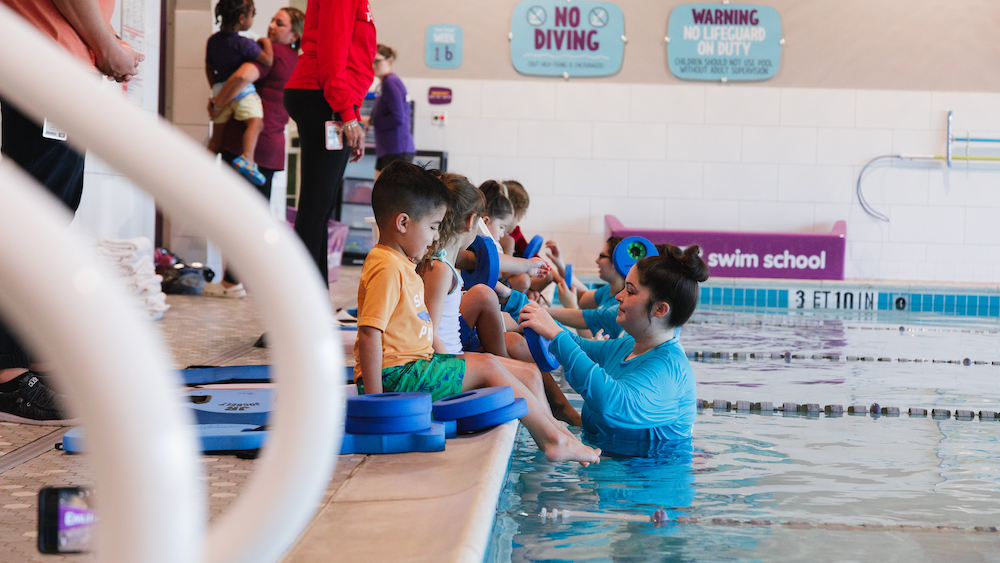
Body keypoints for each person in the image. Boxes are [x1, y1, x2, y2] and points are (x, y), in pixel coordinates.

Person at [353, 162, 599, 465]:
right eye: (431, 227)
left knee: (525, 370)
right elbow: (368, 334)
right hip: (397, 377)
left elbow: (420, 328)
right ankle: (554, 440)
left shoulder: (401, 262)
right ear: (403, 223)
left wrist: (444, 358)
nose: (434, 237)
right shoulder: (387, 266)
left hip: (415, 367)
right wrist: (377, 406)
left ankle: (555, 433)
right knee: (488, 366)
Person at [0, 0, 143, 423]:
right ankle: (8, 374)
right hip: (43, 60)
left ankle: (36, 356)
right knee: (32, 227)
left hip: (59, 62)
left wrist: (106, 42)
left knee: (51, 223)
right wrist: (107, 47)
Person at [418, 173, 581, 426]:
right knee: (528, 370)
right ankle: (554, 430)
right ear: (474, 221)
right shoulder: (438, 266)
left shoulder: (446, 255)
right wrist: (449, 368)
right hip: (448, 360)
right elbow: (429, 331)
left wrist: (526, 266)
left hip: (456, 348)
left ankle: (557, 416)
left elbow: (490, 261)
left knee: (511, 335)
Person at [518, 244, 710, 442]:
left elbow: (612, 403)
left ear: (660, 309)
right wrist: (517, 303)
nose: (619, 296)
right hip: (608, 463)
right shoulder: (629, 346)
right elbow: (578, 346)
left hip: (644, 472)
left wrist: (557, 334)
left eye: (630, 291)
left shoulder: (669, 372)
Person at [202, 6, 304, 298]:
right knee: (256, 216)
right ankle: (246, 279)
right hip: (271, 148)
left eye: (280, 24)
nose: (272, 26)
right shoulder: (296, 60)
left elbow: (241, 77)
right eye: (272, 21)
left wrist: (217, 104)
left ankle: (232, 282)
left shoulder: (273, 56)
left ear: (294, 33)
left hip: (246, 147)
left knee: (239, 217)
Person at [284, 0, 375, 287]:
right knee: (314, 209)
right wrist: (347, 116)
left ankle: (315, 306)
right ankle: (300, 313)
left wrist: (354, 116)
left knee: (320, 209)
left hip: (329, 99)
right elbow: (332, 58)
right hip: (322, 97)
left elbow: (349, 60)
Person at [205, 0, 273, 186]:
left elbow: (209, 68)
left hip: (219, 90)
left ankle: (203, 171)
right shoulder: (243, 43)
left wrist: (215, 91)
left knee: (216, 139)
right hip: (241, 92)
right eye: (253, 14)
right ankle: (248, 158)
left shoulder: (213, 41)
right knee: (255, 122)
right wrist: (265, 42)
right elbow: (267, 60)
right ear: (242, 18)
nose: (253, 17)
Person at [547, 237, 626, 339]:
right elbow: (583, 296)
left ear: (616, 262)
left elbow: (591, 342)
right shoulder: (608, 290)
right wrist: (560, 264)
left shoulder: (618, 306)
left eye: (601, 256)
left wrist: (571, 305)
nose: (597, 260)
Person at [368, 44, 414, 180]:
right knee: (379, 191)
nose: (373, 65)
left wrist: (374, 122)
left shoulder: (391, 83)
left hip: (396, 149)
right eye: (371, 61)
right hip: (389, 149)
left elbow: (397, 117)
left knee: (388, 197)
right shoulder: (385, 83)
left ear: (389, 61)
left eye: (377, 61)